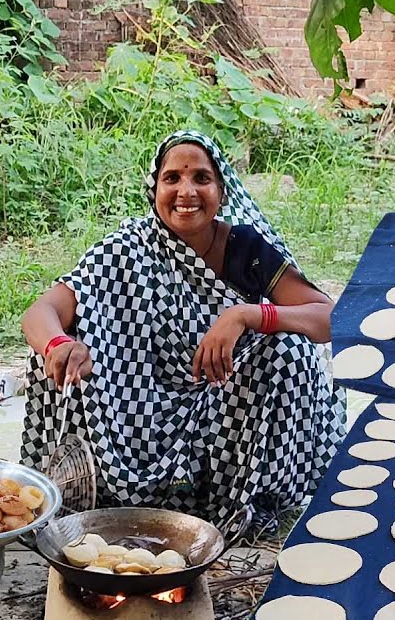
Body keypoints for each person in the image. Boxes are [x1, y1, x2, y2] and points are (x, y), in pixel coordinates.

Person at [19, 130, 345, 525]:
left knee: (291, 351)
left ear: (221, 191)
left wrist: (247, 315)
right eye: (172, 178)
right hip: (137, 415)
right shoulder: (126, 249)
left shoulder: (246, 249)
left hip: (225, 413)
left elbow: (329, 318)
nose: (186, 192)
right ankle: (86, 489)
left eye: (201, 178)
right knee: (57, 358)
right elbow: (41, 312)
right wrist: (58, 344)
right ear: (154, 189)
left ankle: (249, 502)